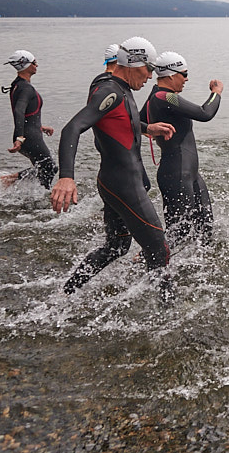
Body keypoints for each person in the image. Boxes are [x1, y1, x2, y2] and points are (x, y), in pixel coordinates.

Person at [51, 37, 178, 300]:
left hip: (113, 181)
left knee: (117, 246)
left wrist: (147, 128)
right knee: (159, 248)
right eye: (149, 70)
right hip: (123, 184)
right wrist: (66, 177)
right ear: (134, 63)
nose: (150, 77)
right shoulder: (109, 90)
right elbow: (73, 128)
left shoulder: (118, 88)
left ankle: (65, 295)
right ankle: (168, 313)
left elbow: (117, 119)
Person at [142, 51, 223, 245]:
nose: (186, 79)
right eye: (184, 74)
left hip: (189, 172)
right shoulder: (165, 97)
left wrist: (149, 129)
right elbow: (204, 113)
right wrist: (216, 93)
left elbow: (137, 121)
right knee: (178, 232)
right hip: (176, 173)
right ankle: (146, 262)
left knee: (205, 227)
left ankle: (197, 271)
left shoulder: (156, 96)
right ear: (170, 75)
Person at [1, 50, 57, 189]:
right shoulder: (26, 88)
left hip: (29, 133)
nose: (36, 65)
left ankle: (16, 181)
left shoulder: (18, 85)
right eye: (34, 62)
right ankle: (45, 200)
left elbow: (27, 113)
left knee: (45, 167)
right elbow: (19, 111)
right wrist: (20, 138)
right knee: (49, 167)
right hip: (28, 137)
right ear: (25, 65)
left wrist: (40, 127)